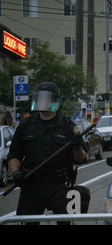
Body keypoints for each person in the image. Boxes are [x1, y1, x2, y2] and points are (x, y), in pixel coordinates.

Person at [7, 82, 90, 224]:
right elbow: (14, 154)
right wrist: (16, 173)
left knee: (68, 221)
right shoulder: (26, 125)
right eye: (40, 98)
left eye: (47, 98)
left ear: (55, 100)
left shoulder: (67, 126)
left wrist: (76, 147)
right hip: (32, 183)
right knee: (26, 221)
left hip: (61, 184)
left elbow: (81, 159)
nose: (43, 101)